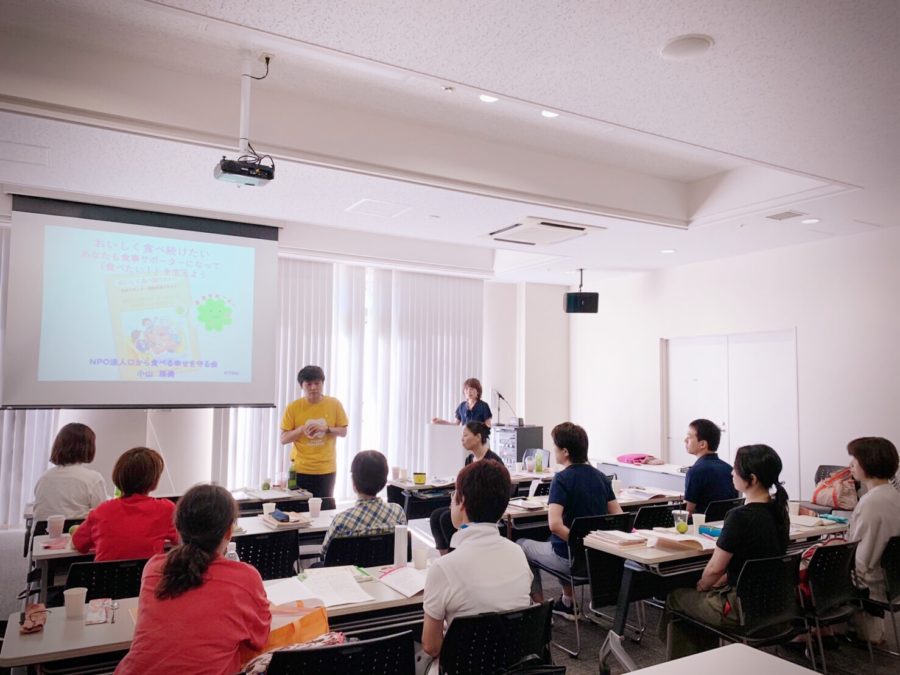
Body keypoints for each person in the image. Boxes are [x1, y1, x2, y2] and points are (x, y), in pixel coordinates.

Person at [115, 484, 271, 675]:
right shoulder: (245, 578)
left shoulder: (154, 568)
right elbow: (259, 639)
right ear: (229, 532)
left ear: (178, 529)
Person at [663, 444, 790, 660]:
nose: (731, 473)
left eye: (736, 469)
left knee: (677, 598)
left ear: (752, 479)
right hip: (778, 605)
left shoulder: (739, 516)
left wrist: (703, 586)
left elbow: (714, 569)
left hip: (741, 609)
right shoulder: (779, 511)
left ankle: (685, 666)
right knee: (700, 603)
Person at [421, 459, 532, 661]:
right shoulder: (518, 554)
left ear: (462, 501)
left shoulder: (444, 567)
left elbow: (431, 646)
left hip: (462, 666)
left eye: (453, 494)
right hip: (512, 664)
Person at [518, 422, 622, 620]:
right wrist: (592, 544)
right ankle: (567, 601)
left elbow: (555, 525)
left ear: (565, 451)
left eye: (555, 447)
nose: (554, 450)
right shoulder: (601, 477)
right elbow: (618, 516)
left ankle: (540, 612)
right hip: (598, 560)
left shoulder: (561, 479)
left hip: (571, 559)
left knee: (521, 545)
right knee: (553, 541)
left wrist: (579, 542)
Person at [72, 447, 177, 562]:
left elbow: (79, 544)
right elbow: (183, 540)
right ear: (154, 481)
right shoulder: (166, 509)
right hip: (147, 573)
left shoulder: (101, 510)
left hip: (106, 573)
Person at [847, 436, 900, 643]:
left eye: (855, 459)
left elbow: (861, 560)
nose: (851, 464)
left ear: (869, 462)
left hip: (872, 582)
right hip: (893, 580)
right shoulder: (894, 495)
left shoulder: (871, 503)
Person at [429, 422, 502, 555]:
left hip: (481, 508)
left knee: (446, 519)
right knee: (435, 516)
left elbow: (493, 492)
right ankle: (445, 558)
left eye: (466, 436)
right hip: (467, 505)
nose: (462, 439)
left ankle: (456, 556)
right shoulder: (469, 459)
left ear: (478, 437)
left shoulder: (492, 461)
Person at [320, 450, 406, 559]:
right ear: (384, 482)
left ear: (354, 482)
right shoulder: (398, 512)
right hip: (387, 569)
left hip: (351, 570)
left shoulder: (341, 521)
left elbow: (324, 553)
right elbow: (403, 548)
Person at [279, 365, 348, 499]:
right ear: (301, 386)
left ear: (322, 383)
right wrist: (301, 429)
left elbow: (343, 431)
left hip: (326, 469)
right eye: (309, 384)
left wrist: (326, 429)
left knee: (324, 507)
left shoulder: (334, 404)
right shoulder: (293, 407)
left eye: (317, 383)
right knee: (299, 508)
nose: (313, 388)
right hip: (300, 469)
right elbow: (283, 439)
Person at [33, 422, 107, 521]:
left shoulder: (44, 477)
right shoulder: (93, 479)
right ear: (88, 447)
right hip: (76, 530)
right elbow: (103, 516)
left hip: (41, 530)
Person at [683, 418, 739, 515]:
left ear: (702, 444)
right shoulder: (729, 469)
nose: (685, 440)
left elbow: (688, 511)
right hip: (726, 521)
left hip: (702, 523)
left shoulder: (695, 472)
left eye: (689, 437)